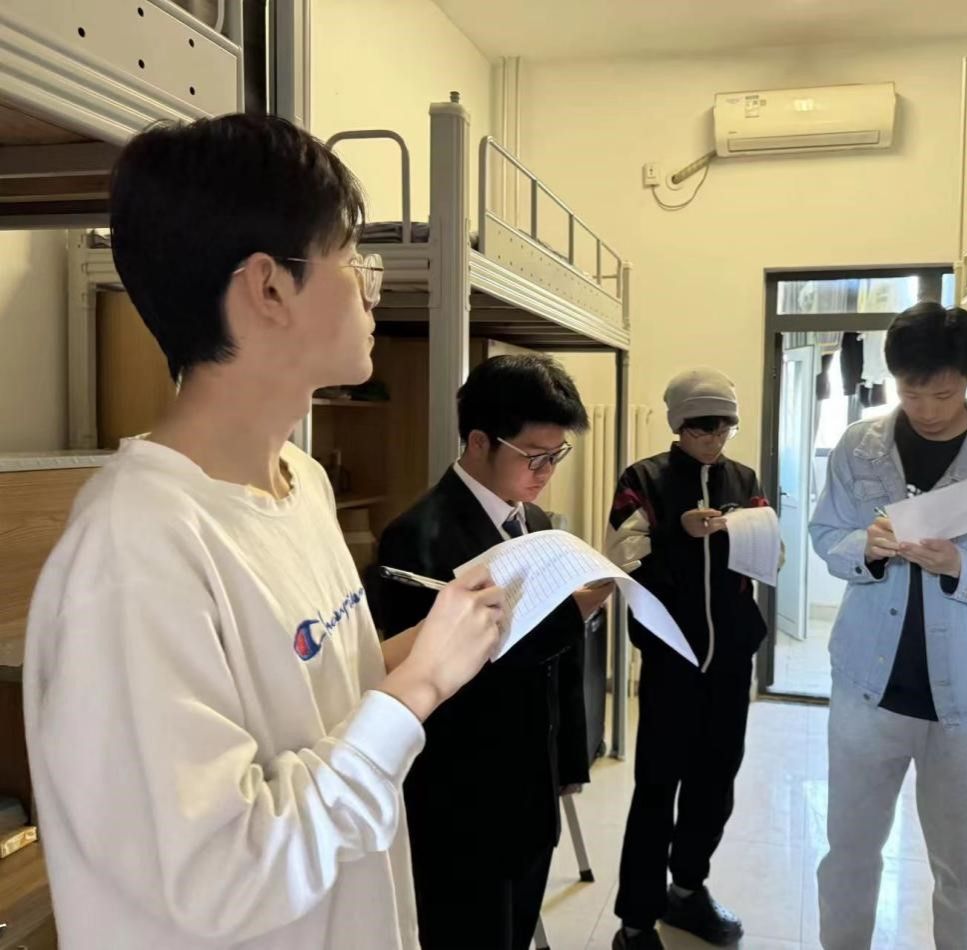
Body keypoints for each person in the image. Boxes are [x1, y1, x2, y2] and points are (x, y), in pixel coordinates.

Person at [22, 115, 506, 950]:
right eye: (353, 259)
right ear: (269, 289)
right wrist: (421, 685)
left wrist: (447, 640)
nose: (372, 289)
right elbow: (226, 871)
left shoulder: (300, 482)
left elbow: (319, 693)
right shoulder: (135, 549)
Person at [809, 302, 967, 949]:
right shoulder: (858, 446)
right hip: (867, 690)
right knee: (849, 855)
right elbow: (825, 533)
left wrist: (961, 565)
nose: (926, 408)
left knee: (965, 875)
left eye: (943, 394)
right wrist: (864, 547)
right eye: (910, 392)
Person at [369, 353, 613, 950]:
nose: (546, 471)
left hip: (530, 794)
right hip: (462, 802)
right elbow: (443, 679)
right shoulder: (417, 535)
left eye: (556, 455)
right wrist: (572, 615)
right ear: (479, 441)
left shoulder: (535, 520)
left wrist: (569, 762)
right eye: (534, 456)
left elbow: (557, 667)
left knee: (518, 927)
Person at [606, 368, 772, 950]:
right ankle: (635, 920)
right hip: (671, 659)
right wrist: (678, 533)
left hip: (729, 660)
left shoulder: (743, 478)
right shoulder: (643, 479)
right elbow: (623, 558)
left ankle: (688, 889)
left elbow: (765, 549)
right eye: (703, 426)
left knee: (715, 781)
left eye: (725, 426)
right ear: (679, 425)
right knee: (656, 787)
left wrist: (755, 540)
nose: (715, 437)